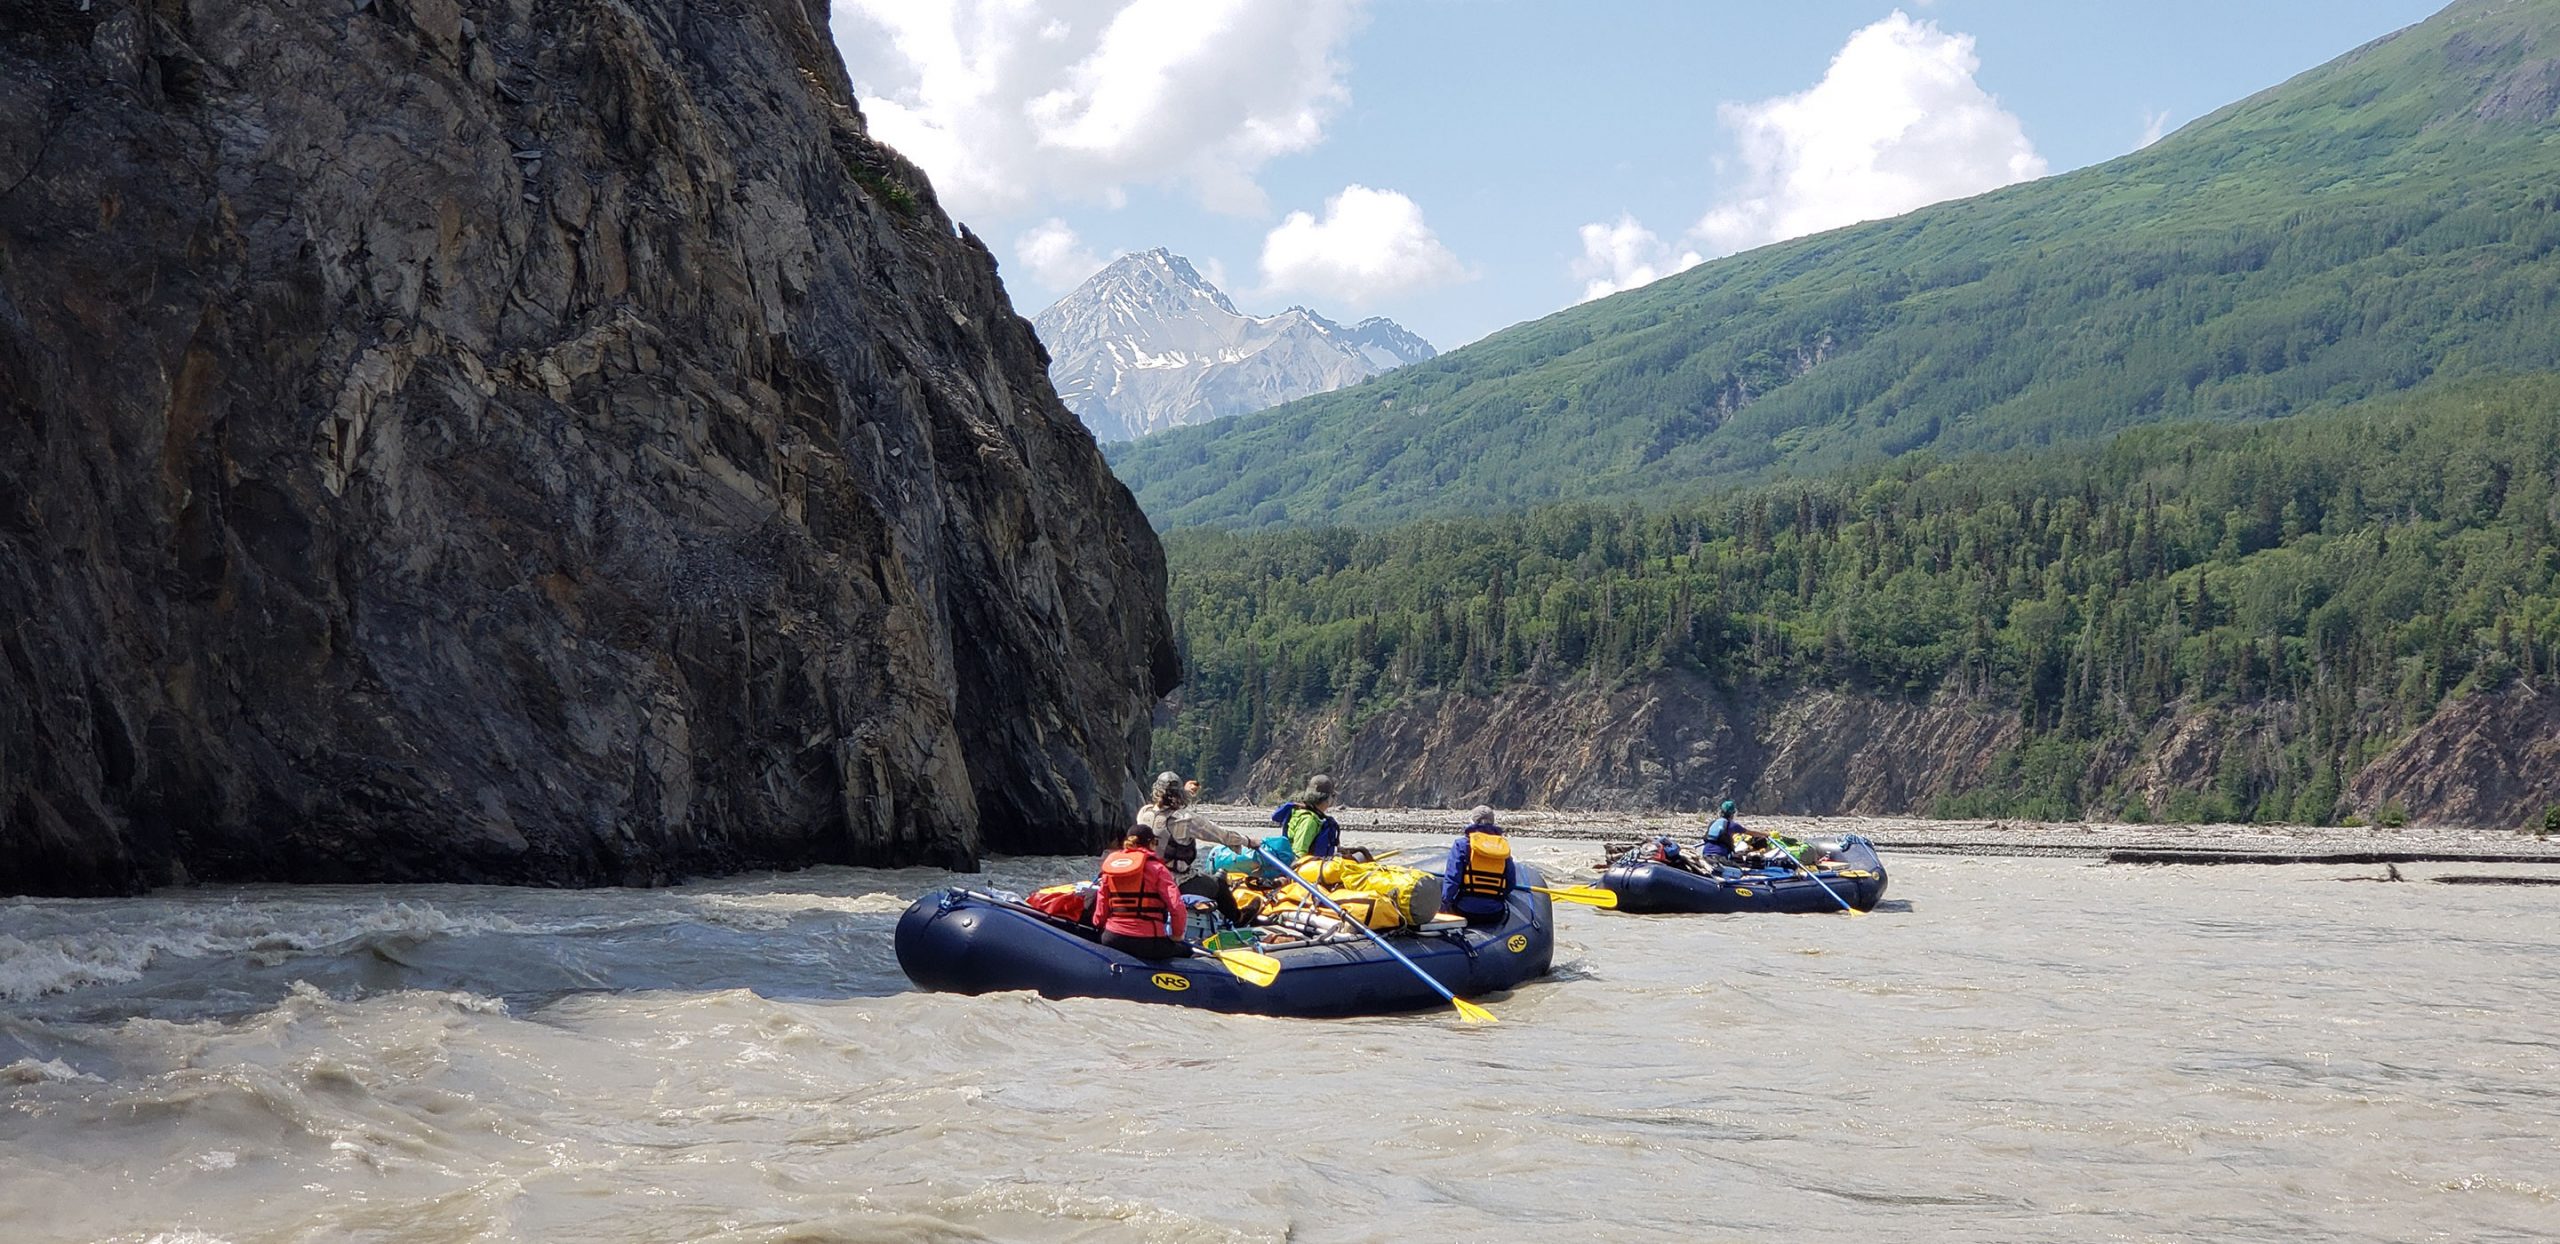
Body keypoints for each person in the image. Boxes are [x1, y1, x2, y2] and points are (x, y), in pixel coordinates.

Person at [1135, 770, 1255, 924]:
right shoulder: (1185, 819)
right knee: (1218, 884)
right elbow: (1222, 835)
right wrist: (1248, 842)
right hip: (1175, 881)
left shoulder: (1143, 813)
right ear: (1178, 795)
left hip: (1145, 877)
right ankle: (1238, 919)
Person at [1094, 825, 1188, 959]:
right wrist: (1177, 935)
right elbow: (1177, 906)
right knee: (1186, 951)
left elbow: (1101, 904)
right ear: (1151, 843)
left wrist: (1099, 924)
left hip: (1112, 938)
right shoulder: (1158, 869)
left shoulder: (1111, 868)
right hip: (1148, 942)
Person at [1441, 805, 1518, 926]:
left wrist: (1443, 906)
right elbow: (1511, 883)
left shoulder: (1462, 845)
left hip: (1465, 911)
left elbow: (1452, 880)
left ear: (1472, 822)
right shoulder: (1502, 847)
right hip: (1495, 913)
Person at [1270, 775, 1342, 861]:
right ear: (1325, 798)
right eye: (1332, 796)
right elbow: (1298, 853)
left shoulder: (1309, 815)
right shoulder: (1309, 820)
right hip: (1306, 870)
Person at [1700, 799, 1769, 865]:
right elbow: (1751, 833)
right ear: (1732, 814)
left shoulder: (1713, 823)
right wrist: (1765, 834)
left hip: (1705, 854)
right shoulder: (1732, 825)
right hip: (1719, 856)